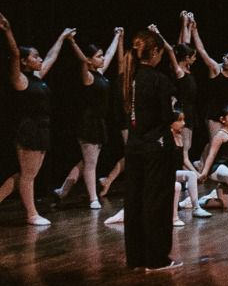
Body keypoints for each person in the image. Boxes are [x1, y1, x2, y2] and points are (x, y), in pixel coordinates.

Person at [119, 26, 181, 269]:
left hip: (133, 146)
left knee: (134, 202)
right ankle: (156, 259)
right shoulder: (158, 80)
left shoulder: (126, 78)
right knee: (156, 202)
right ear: (154, 52)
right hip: (156, 147)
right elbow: (168, 116)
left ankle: (136, 258)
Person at [0, 16, 70, 226]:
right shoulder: (20, 80)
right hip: (29, 130)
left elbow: (51, 57)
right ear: (24, 62)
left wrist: (62, 37)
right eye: (35, 57)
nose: (40, 60)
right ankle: (31, 214)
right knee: (28, 175)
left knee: (25, 174)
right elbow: (13, 53)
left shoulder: (37, 78)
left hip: (42, 129)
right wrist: (7, 31)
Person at [53, 27, 121, 210]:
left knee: (85, 162)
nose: (102, 58)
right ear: (90, 60)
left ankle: (63, 190)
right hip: (88, 123)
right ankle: (93, 199)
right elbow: (82, 59)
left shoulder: (100, 73)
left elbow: (110, 53)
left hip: (98, 122)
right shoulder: (88, 76)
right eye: (98, 56)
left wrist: (117, 36)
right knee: (91, 164)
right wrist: (72, 42)